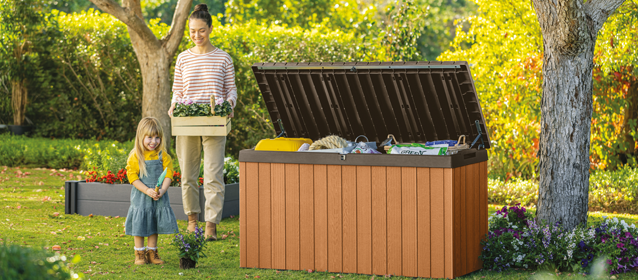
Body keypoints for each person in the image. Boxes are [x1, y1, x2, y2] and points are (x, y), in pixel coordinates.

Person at [168, 3, 237, 241]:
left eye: (201, 31)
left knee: (213, 174)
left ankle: (211, 224)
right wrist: (174, 104)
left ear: (210, 29)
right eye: (192, 32)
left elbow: (231, 90)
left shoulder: (223, 58)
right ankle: (192, 219)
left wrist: (229, 105)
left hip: (214, 121)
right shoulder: (183, 59)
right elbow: (177, 91)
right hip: (187, 121)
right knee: (187, 173)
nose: (197, 36)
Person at [124, 117, 179, 265]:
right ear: (141, 137)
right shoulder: (135, 156)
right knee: (140, 223)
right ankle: (139, 253)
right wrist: (147, 190)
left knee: (154, 221)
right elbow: (133, 177)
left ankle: (152, 252)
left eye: (157, 138)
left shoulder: (163, 156)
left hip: (158, 196)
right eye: (149, 137)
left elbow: (168, 174)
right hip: (141, 196)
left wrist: (162, 190)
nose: (153, 142)